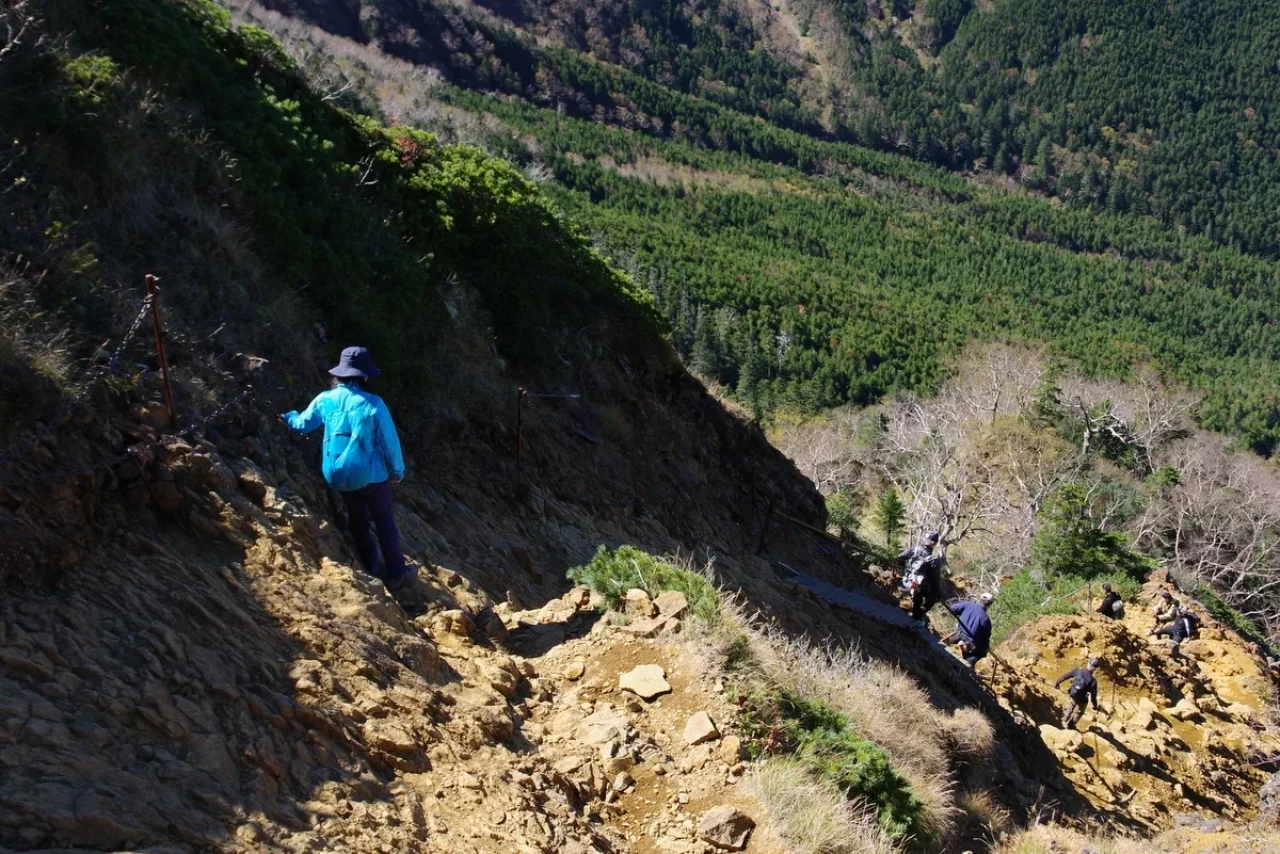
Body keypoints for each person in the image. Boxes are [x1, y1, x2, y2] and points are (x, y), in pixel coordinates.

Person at [282, 346, 415, 592]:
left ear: (339, 374)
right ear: (364, 376)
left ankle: (370, 561)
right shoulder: (373, 403)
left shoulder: (325, 399)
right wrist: (397, 470)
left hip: (336, 474)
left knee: (357, 519)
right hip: (371, 476)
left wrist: (288, 416)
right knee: (384, 521)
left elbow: (302, 424)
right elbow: (389, 441)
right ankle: (397, 572)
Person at [899, 531, 945, 620]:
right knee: (934, 597)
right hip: (918, 586)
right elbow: (935, 581)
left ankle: (915, 613)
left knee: (919, 593)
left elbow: (899, 558)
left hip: (905, 580)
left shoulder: (913, 549)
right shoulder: (933, 560)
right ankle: (918, 615)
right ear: (934, 544)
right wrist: (937, 593)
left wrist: (904, 571)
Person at [946, 593, 994, 668]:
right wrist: (985, 649)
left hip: (958, 636)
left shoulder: (968, 605)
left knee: (950, 641)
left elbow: (953, 608)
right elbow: (985, 640)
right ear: (989, 604)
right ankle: (966, 668)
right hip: (970, 645)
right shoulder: (986, 620)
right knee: (979, 655)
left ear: (980, 599)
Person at [1054, 657, 1102, 729]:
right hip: (1082, 699)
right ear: (1095, 668)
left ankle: (1064, 718)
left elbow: (1066, 676)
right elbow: (1093, 697)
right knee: (1080, 711)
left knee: (1072, 703)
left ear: (1088, 663)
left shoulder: (1078, 671)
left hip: (1073, 693)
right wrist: (1095, 706)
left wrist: (1057, 682)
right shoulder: (1093, 681)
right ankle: (1071, 725)